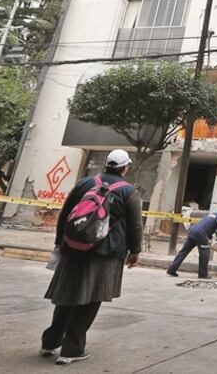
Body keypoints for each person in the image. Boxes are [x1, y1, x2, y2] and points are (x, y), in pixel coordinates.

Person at [41, 150, 142, 366]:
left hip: (73, 249)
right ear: (125, 168)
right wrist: (135, 251)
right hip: (105, 254)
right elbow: (135, 225)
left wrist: (60, 243)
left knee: (67, 295)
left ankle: (50, 341)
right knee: (90, 300)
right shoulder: (128, 191)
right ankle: (72, 349)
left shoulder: (84, 183)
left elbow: (66, 213)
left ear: (106, 165)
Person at [166, 205, 217, 279]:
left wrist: (210, 238)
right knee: (205, 253)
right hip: (201, 234)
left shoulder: (213, 214)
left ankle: (171, 270)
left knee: (183, 251)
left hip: (193, 231)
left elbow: (207, 226)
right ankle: (203, 274)